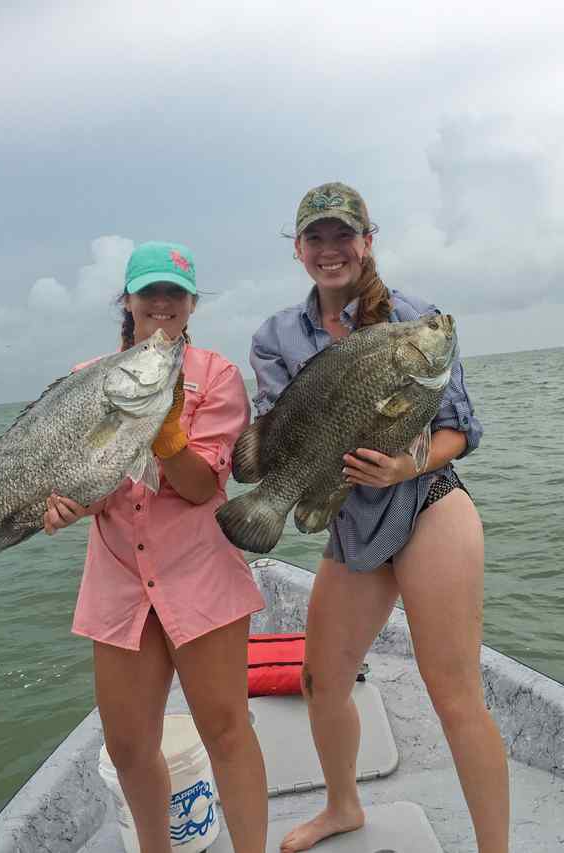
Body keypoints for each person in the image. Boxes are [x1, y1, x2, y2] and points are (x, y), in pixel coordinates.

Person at [250, 184, 509, 853]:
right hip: (349, 519)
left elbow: (459, 431)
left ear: (367, 241)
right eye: (316, 237)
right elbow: (282, 433)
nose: (330, 249)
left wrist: (402, 468)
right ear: (299, 249)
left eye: (344, 234)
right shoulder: (276, 337)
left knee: (454, 693)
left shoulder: (416, 319)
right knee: (320, 681)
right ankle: (343, 807)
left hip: (428, 503)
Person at [43, 240, 268, 853]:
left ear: (192, 304)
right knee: (127, 745)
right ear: (129, 301)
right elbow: (90, 485)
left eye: (175, 292)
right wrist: (65, 503)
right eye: (150, 292)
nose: (162, 303)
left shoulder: (217, 376)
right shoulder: (88, 379)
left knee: (227, 732)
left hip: (201, 575)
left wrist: (167, 434)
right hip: (119, 581)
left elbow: (200, 488)